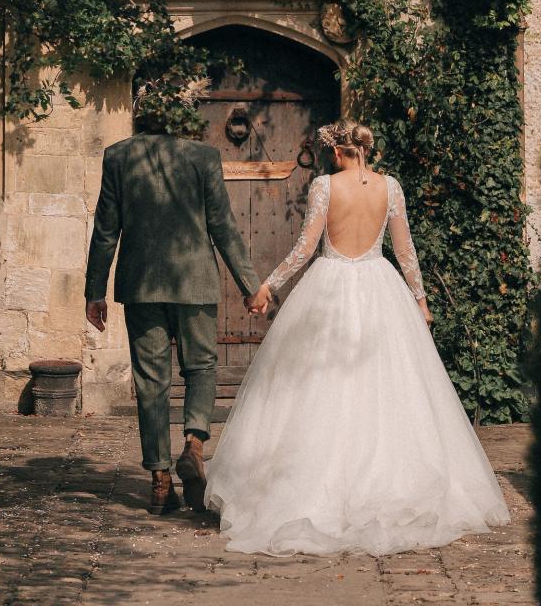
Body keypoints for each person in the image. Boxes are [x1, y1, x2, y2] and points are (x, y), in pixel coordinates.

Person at [204, 119, 510, 556]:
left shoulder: (325, 187)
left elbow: (305, 248)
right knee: (387, 386)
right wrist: (420, 302)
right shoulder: (392, 187)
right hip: (381, 285)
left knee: (316, 385)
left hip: (329, 286)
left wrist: (269, 285)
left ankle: (311, 486)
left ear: (336, 151)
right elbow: (405, 251)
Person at [84, 121, 267, 515]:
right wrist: (250, 285)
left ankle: (160, 480)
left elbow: (105, 231)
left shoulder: (118, 156)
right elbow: (222, 226)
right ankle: (195, 443)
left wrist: (94, 291)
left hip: (141, 285)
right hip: (195, 282)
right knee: (201, 366)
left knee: (151, 380)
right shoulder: (204, 157)